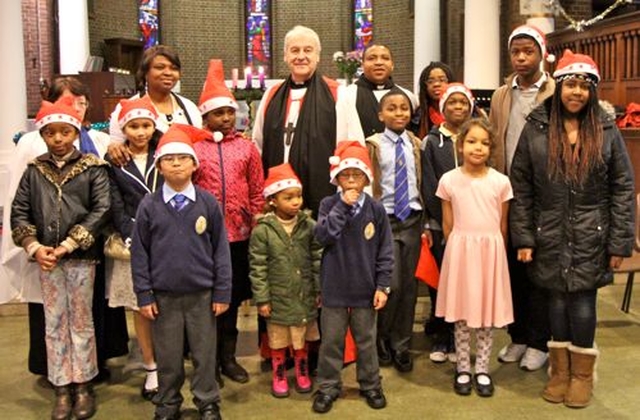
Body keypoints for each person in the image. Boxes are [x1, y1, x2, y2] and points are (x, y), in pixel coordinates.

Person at [509, 50, 635, 408]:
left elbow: (622, 187)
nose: (576, 92)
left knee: (581, 304)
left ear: (591, 91)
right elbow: (522, 185)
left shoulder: (606, 129)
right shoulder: (537, 126)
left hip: (591, 232)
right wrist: (525, 237)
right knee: (555, 303)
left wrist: (618, 242)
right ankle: (559, 372)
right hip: (547, 229)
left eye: (583, 86)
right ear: (559, 87)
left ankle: (581, 376)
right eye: (570, 84)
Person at [0, 76, 128, 383]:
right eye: (69, 102)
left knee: (87, 312)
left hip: (86, 247)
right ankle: (56, 372)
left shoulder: (96, 140)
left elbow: (103, 200)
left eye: (81, 103)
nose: (77, 108)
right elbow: (19, 198)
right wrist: (31, 243)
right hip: (46, 246)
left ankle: (88, 370)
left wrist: (78, 239)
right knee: (53, 316)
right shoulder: (32, 145)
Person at [10, 96, 111, 420]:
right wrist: (35, 247)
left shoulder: (93, 168)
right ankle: (61, 385)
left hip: (79, 257)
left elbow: (101, 209)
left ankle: (82, 383)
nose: (58, 139)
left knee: (81, 321)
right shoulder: (34, 171)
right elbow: (21, 211)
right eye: (51, 133)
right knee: (54, 322)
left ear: (74, 132)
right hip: (46, 259)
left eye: (64, 132)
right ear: (43, 135)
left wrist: (70, 244)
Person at [132, 124, 232, 420]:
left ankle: (207, 401)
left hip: (202, 295)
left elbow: (220, 250)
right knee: (168, 356)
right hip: (163, 298)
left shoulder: (207, 203)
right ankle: (168, 402)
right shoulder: (149, 206)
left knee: (204, 353)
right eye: (168, 158)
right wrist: (144, 293)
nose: (176, 163)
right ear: (159, 166)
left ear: (194, 164)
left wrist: (223, 290)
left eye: (182, 158)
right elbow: (140, 253)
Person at [488, 25, 556, 371]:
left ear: (540, 53)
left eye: (528, 51)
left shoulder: (554, 91)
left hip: (542, 195)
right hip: (506, 191)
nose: (521, 58)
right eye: (515, 52)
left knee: (538, 271)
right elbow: (493, 137)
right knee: (511, 269)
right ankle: (517, 337)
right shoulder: (502, 94)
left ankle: (539, 341)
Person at [193, 59, 265, 386]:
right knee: (207, 299)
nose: (224, 118)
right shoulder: (194, 147)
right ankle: (206, 361)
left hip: (238, 235)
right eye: (217, 113)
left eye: (228, 112)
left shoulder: (247, 148)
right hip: (203, 238)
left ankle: (228, 358)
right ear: (205, 116)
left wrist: (257, 218)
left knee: (232, 297)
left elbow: (256, 188)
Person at [312, 141, 393, 414]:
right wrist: (341, 208)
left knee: (366, 341)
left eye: (356, 175)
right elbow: (323, 236)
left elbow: (385, 250)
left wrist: (383, 285)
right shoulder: (328, 205)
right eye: (345, 175)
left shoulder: (376, 210)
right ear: (336, 178)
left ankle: (371, 384)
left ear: (367, 178)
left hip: (365, 289)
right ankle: (327, 387)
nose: (350, 181)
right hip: (334, 288)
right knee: (331, 341)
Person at [435, 118, 513, 397]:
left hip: (490, 253)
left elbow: (502, 225)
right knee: (463, 313)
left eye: (484, 143)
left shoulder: (501, 182)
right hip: (461, 251)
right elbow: (447, 222)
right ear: (460, 144)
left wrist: (496, 255)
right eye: (472, 141)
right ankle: (463, 369)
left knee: (486, 313)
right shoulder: (449, 180)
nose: (478, 147)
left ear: (491, 149)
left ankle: (481, 368)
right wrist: (457, 247)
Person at [105, 95, 163, 401]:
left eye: (146, 125)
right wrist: (134, 236)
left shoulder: (167, 152)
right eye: (134, 126)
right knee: (142, 308)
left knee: (167, 305)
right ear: (123, 128)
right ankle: (150, 365)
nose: (140, 132)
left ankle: (168, 364)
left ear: (154, 126)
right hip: (134, 243)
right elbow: (115, 204)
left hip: (168, 240)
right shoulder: (115, 162)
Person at [249, 163, 322, 398]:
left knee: (303, 337)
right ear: (273, 200)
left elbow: (318, 258)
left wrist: (319, 289)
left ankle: (302, 371)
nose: (295, 202)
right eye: (288, 197)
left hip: (304, 294)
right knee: (278, 338)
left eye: (298, 196)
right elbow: (257, 267)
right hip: (277, 297)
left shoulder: (309, 225)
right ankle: (278, 372)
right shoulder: (263, 231)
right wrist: (262, 299)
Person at [252, 25, 341, 217]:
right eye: (294, 50)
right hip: (277, 193)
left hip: (323, 194)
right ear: (285, 56)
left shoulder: (338, 93)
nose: (301, 56)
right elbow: (258, 145)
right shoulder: (272, 94)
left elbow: (348, 146)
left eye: (308, 50)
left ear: (318, 55)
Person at [366, 90, 423, 373]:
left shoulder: (416, 143)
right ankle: (381, 340)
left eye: (404, 109)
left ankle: (402, 344)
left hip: (411, 219)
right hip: (384, 221)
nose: (399, 113)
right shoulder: (372, 145)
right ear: (381, 114)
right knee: (390, 284)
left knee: (409, 287)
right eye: (392, 108)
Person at [421, 83, 475, 363]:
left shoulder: (475, 139)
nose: (458, 108)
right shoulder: (432, 142)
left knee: (464, 283)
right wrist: (441, 219)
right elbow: (429, 184)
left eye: (463, 103)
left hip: (472, 224)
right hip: (442, 224)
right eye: (452, 103)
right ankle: (442, 336)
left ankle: (460, 337)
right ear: (443, 108)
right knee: (442, 282)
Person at [108, 45, 202, 163]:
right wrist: (114, 148)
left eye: (174, 68)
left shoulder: (190, 107)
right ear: (145, 73)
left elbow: (199, 147)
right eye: (160, 67)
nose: (168, 73)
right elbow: (116, 146)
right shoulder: (126, 108)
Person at [335, 43, 418, 142]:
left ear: (392, 65)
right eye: (371, 58)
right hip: (362, 156)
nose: (379, 62)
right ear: (362, 64)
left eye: (385, 58)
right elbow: (341, 136)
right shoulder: (347, 95)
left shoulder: (408, 96)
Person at [416, 61, 455, 139]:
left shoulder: (464, 112)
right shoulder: (418, 117)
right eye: (430, 81)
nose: (436, 84)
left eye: (442, 80)